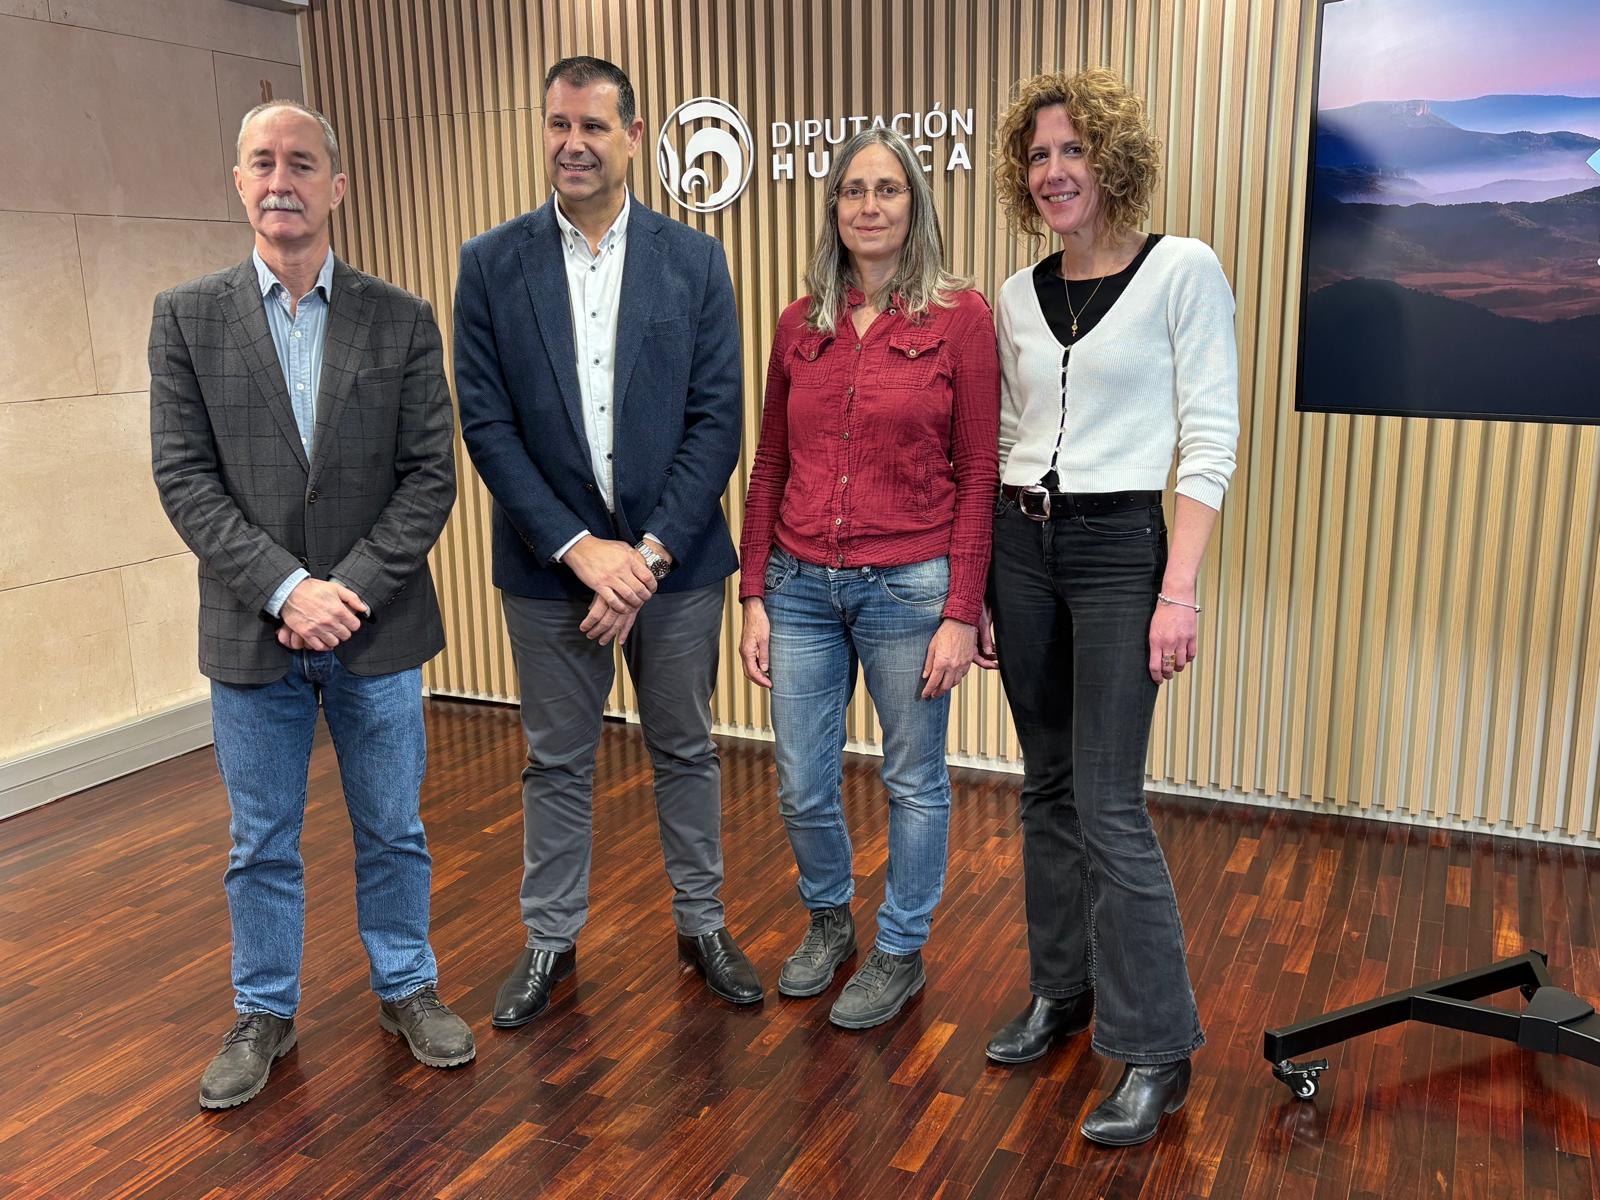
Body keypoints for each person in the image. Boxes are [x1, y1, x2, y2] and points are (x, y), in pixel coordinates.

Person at [150, 100, 472, 1110]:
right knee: (260, 841)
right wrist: (290, 590)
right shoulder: (186, 319)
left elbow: (430, 476)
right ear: (238, 183)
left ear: (337, 186)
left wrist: (348, 594)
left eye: (302, 162)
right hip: (254, 634)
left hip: (380, 631)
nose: (280, 178)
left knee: (394, 828)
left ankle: (406, 987)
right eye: (262, 161)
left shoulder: (402, 317)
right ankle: (264, 1012)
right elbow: (184, 477)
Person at [454, 55, 761, 1026]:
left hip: (676, 570)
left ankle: (702, 925)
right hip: (552, 576)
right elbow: (487, 425)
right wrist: (581, 549)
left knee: (685, 747)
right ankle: (549, 941)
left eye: (592, 125)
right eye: (557, 125)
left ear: (633, 136)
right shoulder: (489, 263)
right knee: (555, 761)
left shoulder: (694, 260)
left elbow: (718, 420)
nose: (573, 143)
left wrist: (649, 555)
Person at [983, 68, 1239, 1145]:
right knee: (1042, 787)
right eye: (1038, 156)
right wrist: (982, 588)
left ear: (1113, 161)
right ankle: (1063, 988)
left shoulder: (1182, 270)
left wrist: (1175, 589)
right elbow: (1000, 437)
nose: (1054, 173)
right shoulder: (1011, 294)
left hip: (1120, 549)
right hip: (1020, 545)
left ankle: (1157, 1046)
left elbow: (1209, 441)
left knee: (1107, 800)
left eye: (1073, 152)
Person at [738, 127, 1000, 1030]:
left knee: (914, 780)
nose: (870, 206)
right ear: (835, 208)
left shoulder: (960, 319)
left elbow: (979, 473)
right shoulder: (798, 322)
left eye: (888, 190)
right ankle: (828, 922)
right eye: (855, 191)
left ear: (915, 204)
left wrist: (962, 610)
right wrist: (754, 593)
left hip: (910, 589)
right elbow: (769, 461)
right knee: (802, 778)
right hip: (801, 583)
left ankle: (899, 951)